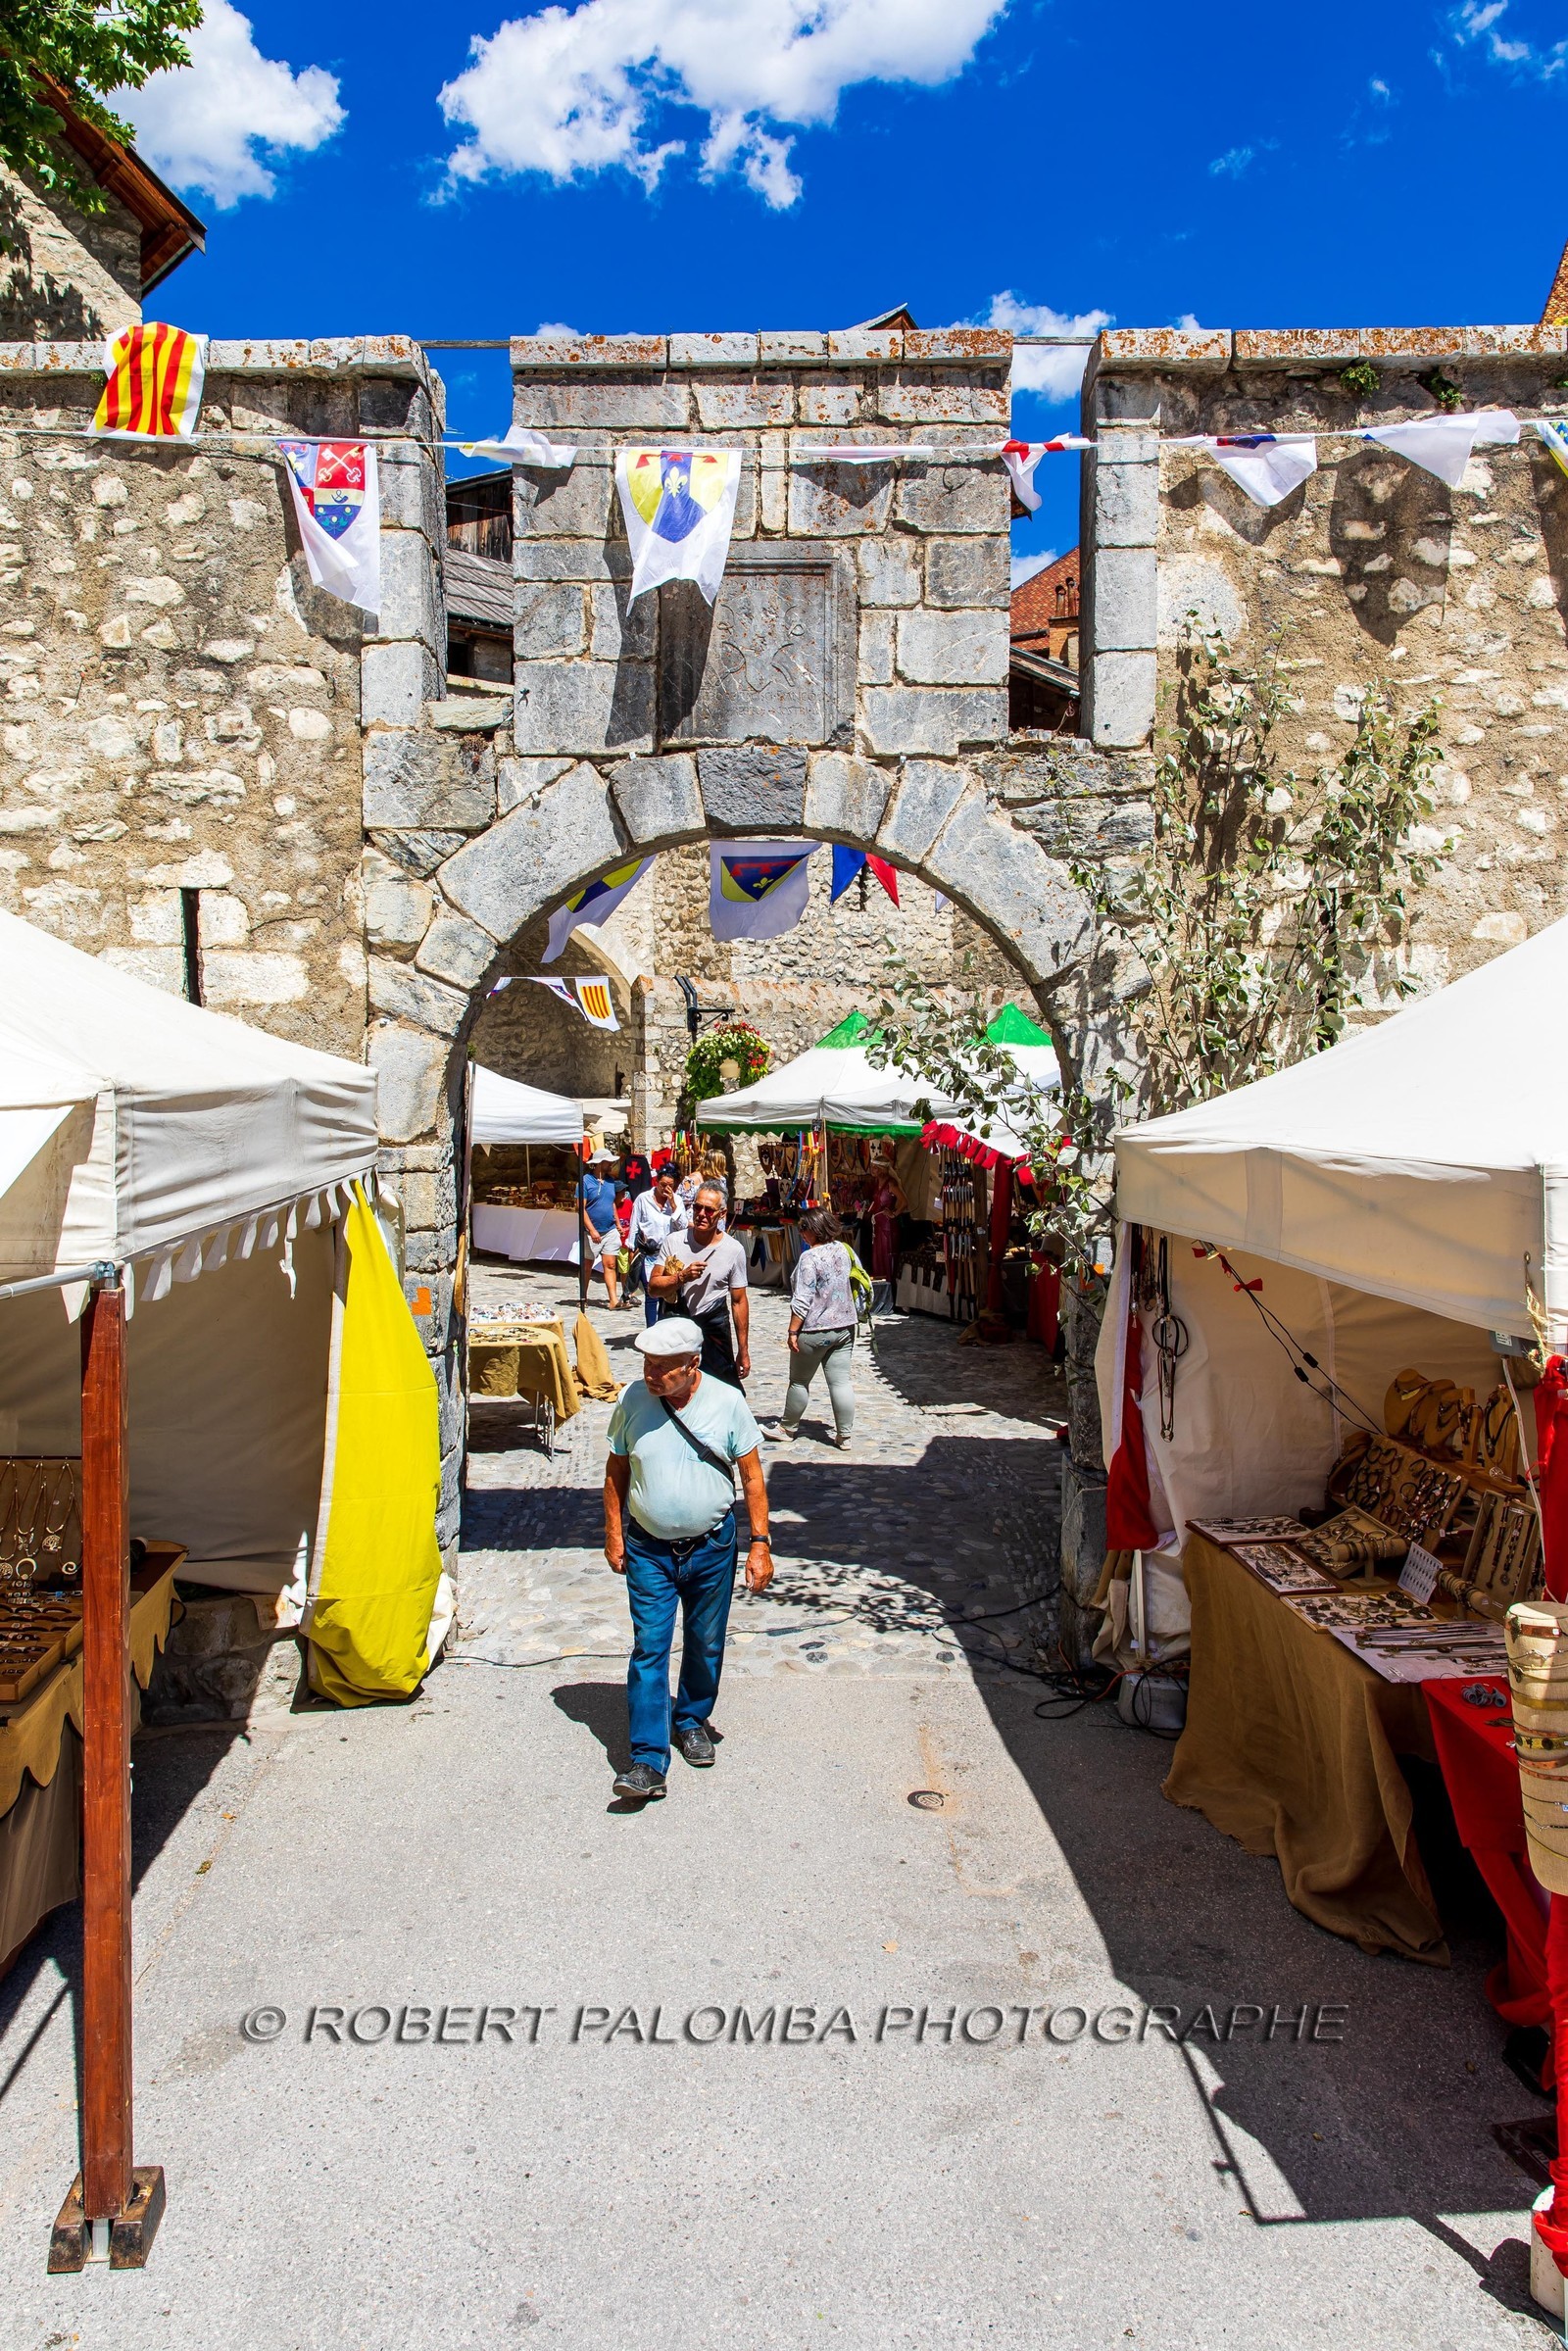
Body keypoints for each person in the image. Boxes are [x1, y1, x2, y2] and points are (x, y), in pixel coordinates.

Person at [602, 1316, 773, 1803]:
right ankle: (647, 1758)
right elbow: (616, 1468)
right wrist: (613, 1533)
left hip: (711, 1548)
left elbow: (752, 1476)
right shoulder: (633, 1400)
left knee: (706, 1642)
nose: (651, 1374)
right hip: (648, 1549)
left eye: (663, 1367)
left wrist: (760, 1543)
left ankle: (692, 1719)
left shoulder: (727, 1402)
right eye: (647, 1364)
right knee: (650, 1647)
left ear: (693, 1364)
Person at [764, 1206, 859, 1449]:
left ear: (814, 1229)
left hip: (814, 1329)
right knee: (840, 1382)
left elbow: (803, 1298)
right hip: (845, 1326)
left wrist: (792, 1331)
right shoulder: (843, 1249)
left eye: (803, 1228)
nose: (801, 1233)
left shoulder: (810, 1257)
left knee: (799, 1381)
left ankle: (787, 1428)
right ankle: (845, 1436)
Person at [648, 1182, 751, 1387]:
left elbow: (739, 1301)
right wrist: (681, 1278)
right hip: (676, 1322)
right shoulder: (674, 1241)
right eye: (697, 1207)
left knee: (724, 1388)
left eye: (709, 1210)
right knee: (671, 1386)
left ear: (722, 1214)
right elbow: (653, 1288)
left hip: (713, 1326)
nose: (702, 1214)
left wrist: (743, 1350)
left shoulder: (734, 1250)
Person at [626, 1166, 688, 1328]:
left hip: (669, 1256)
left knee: (666, 1293)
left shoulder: (677, 1201)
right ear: (657, 1182)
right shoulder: (643, 1199)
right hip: (649, 1253)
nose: (666, 1188)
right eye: (663, 1184)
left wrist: (673, 1205)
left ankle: (662, 1327)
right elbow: (634, 1224)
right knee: (651, 1293)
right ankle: (651, 1329)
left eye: (670, 1185)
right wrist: (631, 1249)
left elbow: (683, 1226)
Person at [580, 1148, 624, 1310]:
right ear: (600, 1163)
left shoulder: (611, 1182)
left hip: (610, 1230)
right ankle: (583, 1296)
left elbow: (611, 1204)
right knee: (587, 1266)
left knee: (611, 1264)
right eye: (608, 1161)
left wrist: (617, 1223)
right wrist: (592, 1230)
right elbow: (581, 1208)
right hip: (591, 1232)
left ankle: (613, 1300)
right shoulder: (585, 1181)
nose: (611, 1164)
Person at [870, 1159, 906, 1284]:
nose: (872, 1170)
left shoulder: (890, 1184)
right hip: (878, 1226)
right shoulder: (876, 1183)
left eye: (875, 1167)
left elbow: (904, 1202)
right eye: (872, 1167)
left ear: (882, 1169)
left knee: (887, 1257)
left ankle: (890, 1286)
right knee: (878, 1258)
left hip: (888, 1226)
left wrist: (894, 1214)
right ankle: (881, 1286)